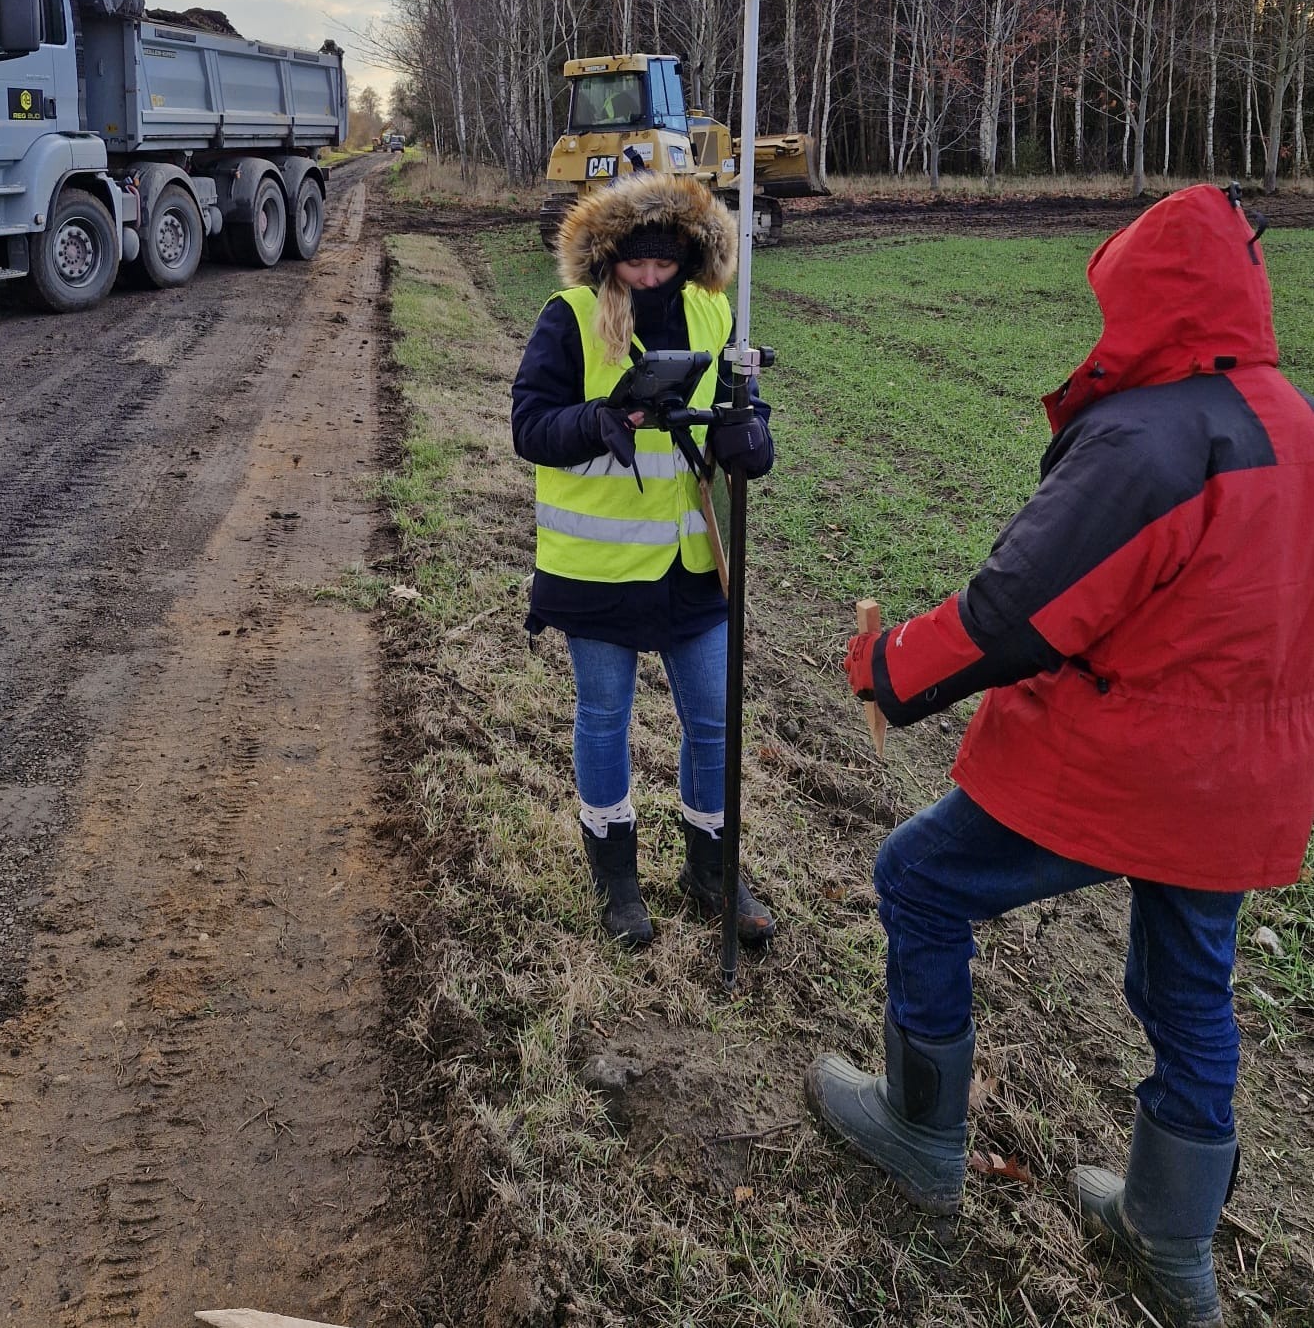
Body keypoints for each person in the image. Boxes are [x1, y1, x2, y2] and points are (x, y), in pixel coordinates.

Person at [807, 184, 1314, 1328]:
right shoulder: (1297, 422)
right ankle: (1172, 1247)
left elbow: (1016, 612)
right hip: (1249, 784)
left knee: (917, 881)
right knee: (1191, 993)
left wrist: (889, 667)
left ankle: (921, 1132)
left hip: (1123, 765)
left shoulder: (1149, 442)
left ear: (1149, 294)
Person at [511, 171, 777, 950]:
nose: (652, 278)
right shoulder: (569, 318)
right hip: (596, 573)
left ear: (691, 258)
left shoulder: (715, 308)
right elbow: (529, 426)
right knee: (604, 721)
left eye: (666, 265)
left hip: (695, 569)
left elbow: (747, 411)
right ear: (608, 258)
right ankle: (617, 881)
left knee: (712, 725)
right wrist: (594, 423)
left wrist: (750, 439)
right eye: (637, 265)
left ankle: (712, 870)